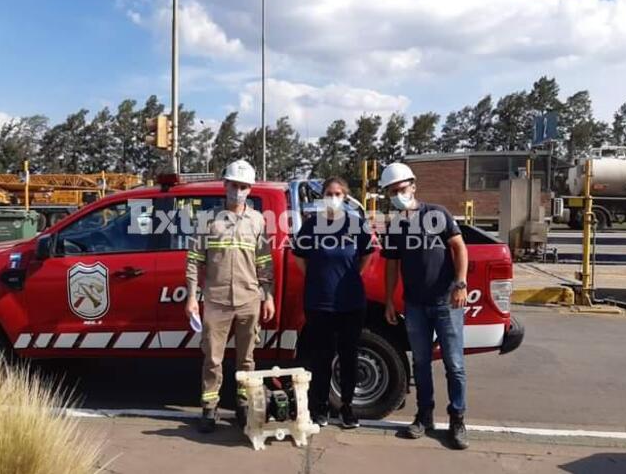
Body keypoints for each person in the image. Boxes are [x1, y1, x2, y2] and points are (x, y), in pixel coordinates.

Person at [379, 162, 470, 450]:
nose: (398, 195)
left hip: (445, 302)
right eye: (392, 192)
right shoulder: (396, 225)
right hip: (415, 306)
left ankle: (457, 419)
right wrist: (390, 301)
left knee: (454, 365)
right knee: (420, 364)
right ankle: (425, 415)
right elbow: (392, 264)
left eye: (402, 189)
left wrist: (460, 284)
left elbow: (459, 247)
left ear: (413, 186)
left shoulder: (437, 214)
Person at [185, 159, 275, 433]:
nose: (239, 191)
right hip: (216, 300)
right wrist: (191, 297)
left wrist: (267, 296)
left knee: (246, 359)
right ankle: (209, 409)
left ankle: (242, 405)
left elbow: (265, 263)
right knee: (213, 359)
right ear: (225, 185)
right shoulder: (207, 220)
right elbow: (193, 260)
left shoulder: (258, 220)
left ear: (250, 189)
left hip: (249, 299)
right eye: (235, 185)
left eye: (244, 187)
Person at [291, 177, 375, 429]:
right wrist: (318, 279)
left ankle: (347, 407)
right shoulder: (311, 225)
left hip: (350, 303)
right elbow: (299, 258)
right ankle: (321, 408)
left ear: (345, 197)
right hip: (319, 304)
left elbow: (367, 256)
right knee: (321, 358)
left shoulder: (355, 225)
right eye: (329, 192)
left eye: (338, 193)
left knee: (349, 357)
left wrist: (349, 277)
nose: (333, 197)